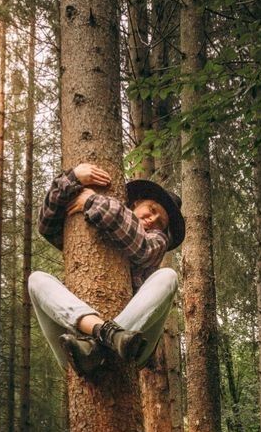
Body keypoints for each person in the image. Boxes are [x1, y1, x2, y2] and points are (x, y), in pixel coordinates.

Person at [28, 162, 185, 378]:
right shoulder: (97, 218)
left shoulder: (157, 241)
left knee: (168, 276)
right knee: (36, 279)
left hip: (130, 348)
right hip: (74, 348)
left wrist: (92, 201)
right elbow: (46, 225)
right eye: (153, 209)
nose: (152, 219)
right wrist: (73, 178)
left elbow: (142, 248)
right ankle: (102, 335)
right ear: (137, 202)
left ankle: (100, 343)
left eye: (160, 222)